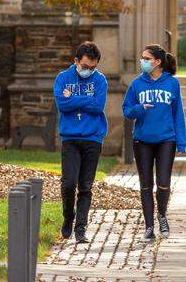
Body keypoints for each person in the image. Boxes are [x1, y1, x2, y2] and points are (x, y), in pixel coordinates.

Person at [122, 44, 186, 243]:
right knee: (145, 184)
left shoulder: (172, 84)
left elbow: (178, 114)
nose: (143, 61)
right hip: (142, 140)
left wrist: (181, 141)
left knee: (164, 183)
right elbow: (126, 110)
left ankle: (162, 216)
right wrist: (139, 109)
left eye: (147, 58)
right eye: (142, 58)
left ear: (158, 62)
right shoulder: (136, 84)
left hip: (166, 140)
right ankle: (149, 225)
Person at [54, 41, 109, 243]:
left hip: (92, 139)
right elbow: (62, 104)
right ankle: (68, 217)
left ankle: (80, 229)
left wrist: (74, 99)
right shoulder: (63, 78)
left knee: (85, 186)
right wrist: (86, 99)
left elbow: (98, 106)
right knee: (69, 183)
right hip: (70, 138)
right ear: (76, 61)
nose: (89, 71)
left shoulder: (100, 80)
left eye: (93, 68)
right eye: (85, 67)